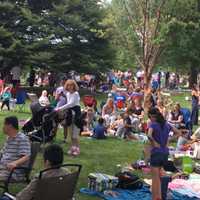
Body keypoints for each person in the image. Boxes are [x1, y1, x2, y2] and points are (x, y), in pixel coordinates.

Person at [147, 108, 181, 200]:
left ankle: (155, 198)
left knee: (155, 179)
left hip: (156, 152)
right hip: (165, 153)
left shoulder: (153, 124)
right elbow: (178, 133)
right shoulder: (167, 125)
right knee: (160, 177)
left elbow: (149, 135)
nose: (150, 119)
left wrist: (154, 142)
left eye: (150, 117)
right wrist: (169, 140)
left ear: (152, 116)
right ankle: (161, 196)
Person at [55, 80, 81, 156]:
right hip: (70, 113)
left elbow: (70, 104)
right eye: (68, 85)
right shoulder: (68, 94)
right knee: (71, 132)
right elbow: (68, 104)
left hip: (76, 114)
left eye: (71, 85)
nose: (70, 87)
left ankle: (77, 149)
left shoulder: (75, 94)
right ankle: (73, 148)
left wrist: (60, 108)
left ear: (74, 86)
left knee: (75, 134)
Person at [0, 116, 31, 181]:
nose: (3, 127)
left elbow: (26, 156)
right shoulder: (9, 138)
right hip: (3, 168)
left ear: (10, 126)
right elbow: (2, 153)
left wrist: (15, 163)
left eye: (4, 124)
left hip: (13, 172)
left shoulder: (22, 138)